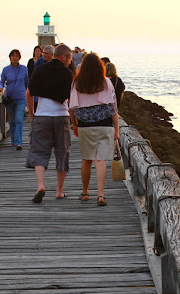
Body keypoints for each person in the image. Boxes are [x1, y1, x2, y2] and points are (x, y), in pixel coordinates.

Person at [69, 53, 119, 207]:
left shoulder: (77, 82)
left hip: (85, 125)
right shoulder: (106, 82)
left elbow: (71, 107)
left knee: (86, 160)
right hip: (104, 125)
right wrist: (116, 129)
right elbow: (113, 108)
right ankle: (101, 194)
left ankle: (85, 192)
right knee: (100, 160)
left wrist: (74, 124)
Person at [25, 44, 74, 202]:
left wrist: (32, 114)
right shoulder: (68, 74)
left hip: (42, 115)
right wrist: (75, 121)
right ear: (63, 57)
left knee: (39, 151)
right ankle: (59, 191)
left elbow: (29, 93)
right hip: (61, 116)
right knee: (62, 152)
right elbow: (71, 99)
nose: (70, 62)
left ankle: (40, 185)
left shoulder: (39, 70)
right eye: (70, 58)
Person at [0, 49, 29, 150]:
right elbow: (2, 81)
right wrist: (1, 87)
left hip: (21, 98)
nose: (15, 57)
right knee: (12, 121)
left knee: (18, 119)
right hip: (10, 99)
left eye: (17, 56)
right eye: (13, 56)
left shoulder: (24, 69)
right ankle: (13, 141)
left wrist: (29, 95)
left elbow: (27, 83)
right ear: (10, 57)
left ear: (19, 57)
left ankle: (19, 142)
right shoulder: (6, 69)